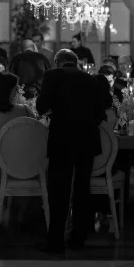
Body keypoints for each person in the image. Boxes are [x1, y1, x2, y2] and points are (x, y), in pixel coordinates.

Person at [36, 49, 106, 254]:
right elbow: (100, 113)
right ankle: (78, 238)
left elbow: (41, 106)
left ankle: (56, 241)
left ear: (57, 61)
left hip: (62, 138)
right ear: (76, 63)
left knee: (59, 190)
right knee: (82, 188)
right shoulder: (91, 79)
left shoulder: (52, 75)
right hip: (87, 139)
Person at [0, 72, 36, 138]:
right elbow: (39, 132)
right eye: (16, 89)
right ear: (8, 92)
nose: (18, 92)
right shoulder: (25, 110)